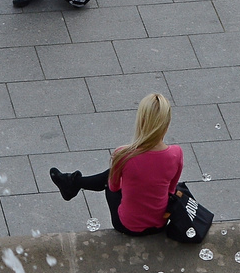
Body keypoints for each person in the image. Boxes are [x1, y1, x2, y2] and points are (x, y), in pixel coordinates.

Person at [49, 93, 183, 236]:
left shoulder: (123, 154)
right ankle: (73, 183)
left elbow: (113, 187)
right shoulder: (176, 153)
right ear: (167, 124)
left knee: (110, 177)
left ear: (141, 121)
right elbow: (171, 190)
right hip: (160, 223)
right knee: (121, 173)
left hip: (127, 226)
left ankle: (72, 183)